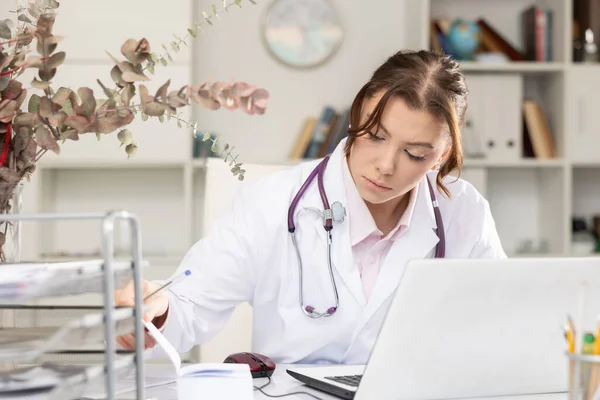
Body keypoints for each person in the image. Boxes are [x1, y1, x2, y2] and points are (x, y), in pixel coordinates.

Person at [115, 49, 506, 365]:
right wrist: (158, 309)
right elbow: (190, 302)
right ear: (356, 118)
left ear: (442, 155)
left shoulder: (464, 212)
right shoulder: (271, 203)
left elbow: (503, 321)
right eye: (374, 135)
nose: (385, 165)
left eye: (415, 154)